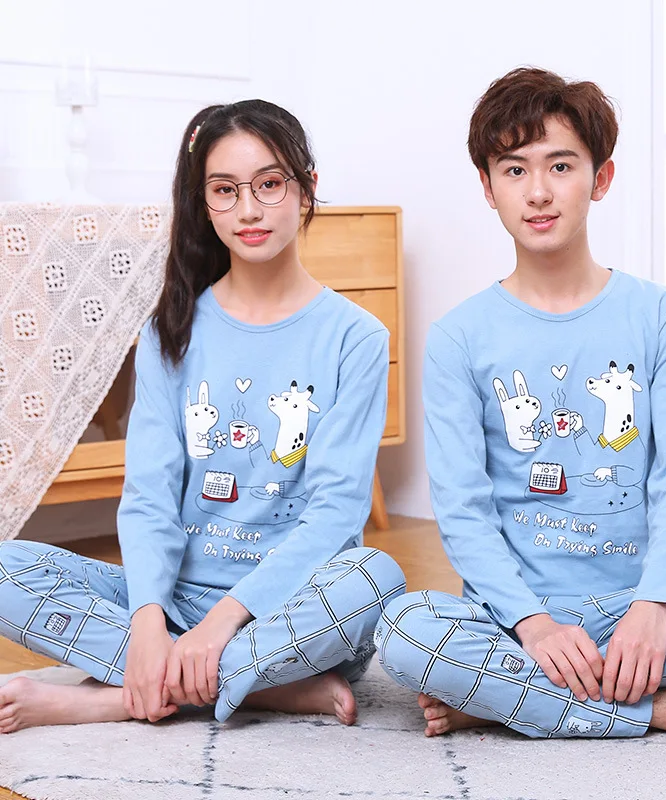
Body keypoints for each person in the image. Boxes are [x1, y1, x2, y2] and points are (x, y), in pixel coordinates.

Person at [375, 68, 666, 740]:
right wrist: (533, 624)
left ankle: (510, 696)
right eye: (514, 170)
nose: (538, 192)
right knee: (403, 632)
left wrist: (654, 604)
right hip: (514, 620)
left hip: (646, 609)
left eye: (561, 166)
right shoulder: (460, 336)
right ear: (487, 187)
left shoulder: (661, 316)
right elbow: (462, 508)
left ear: (600, 179)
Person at [0, 100, 405, 734]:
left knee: (376, 578)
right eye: (225, 190)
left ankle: (117, 697)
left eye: (269, 184)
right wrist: (148, 620)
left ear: (306, 189)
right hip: (180, 599)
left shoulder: (356, 338)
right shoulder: (171, 332)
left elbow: (336, 515)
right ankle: (262, 689)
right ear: (204, 203)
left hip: (288, 612)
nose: (248, 210)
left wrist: (221, 625)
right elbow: (149, 497)